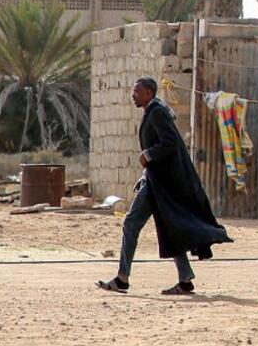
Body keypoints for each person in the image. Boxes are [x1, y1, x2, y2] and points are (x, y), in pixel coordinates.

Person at [97, 77, 232, 295]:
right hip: (155, 182)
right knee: (168, 227)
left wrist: (147, 155)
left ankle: (122, 279)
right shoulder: (154, 111)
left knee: (131, 224)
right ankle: (185, 280)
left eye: (137, 91)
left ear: (148, 93)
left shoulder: (157, 112)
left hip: (160, 184)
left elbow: (170, 143)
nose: (133, 95)